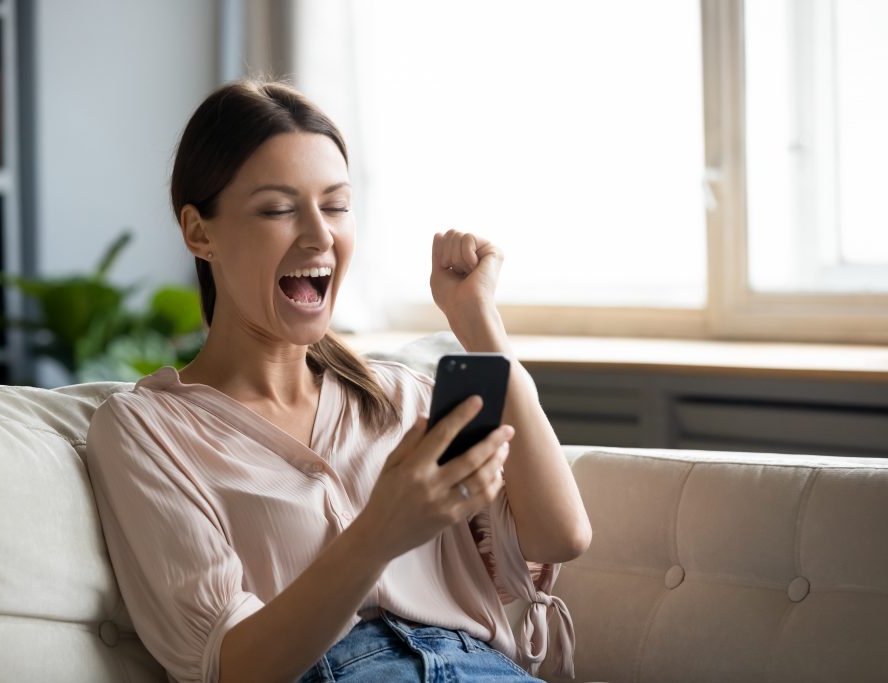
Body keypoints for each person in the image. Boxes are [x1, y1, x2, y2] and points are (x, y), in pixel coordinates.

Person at [85, 79, 591, 683]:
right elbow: (232, 667)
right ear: (200, 233)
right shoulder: (145, 431)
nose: (320, 235)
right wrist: (379, 533)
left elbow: (561, 535)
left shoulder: (403, 399)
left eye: (335, 205)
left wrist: (480, 327)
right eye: (277, 209)